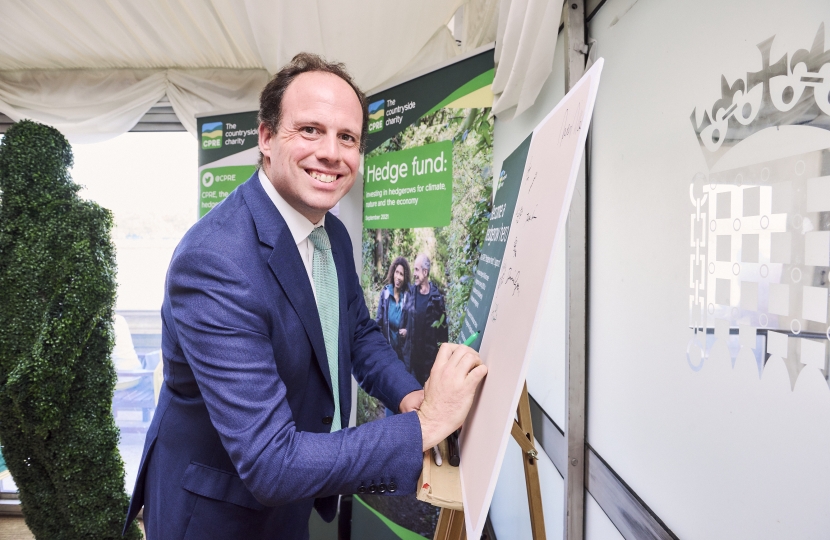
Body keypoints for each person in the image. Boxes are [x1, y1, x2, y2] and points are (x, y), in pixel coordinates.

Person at [124, 53, 486, 540]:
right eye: (310, 130)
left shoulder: (330, 235)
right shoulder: (214, 262)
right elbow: (271, 461)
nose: (332, 153)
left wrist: (409, 396)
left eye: (348, 138)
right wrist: (426, 423)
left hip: (289, 502)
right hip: (216, 514)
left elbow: (356, 332)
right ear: (267, 138)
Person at [405, 254, 449, 386]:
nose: (414, 274)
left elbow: (443, 333)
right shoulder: (410, 294)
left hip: (429, 362)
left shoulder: (436, 298)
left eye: (417, 270)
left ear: (425, 272)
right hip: (411, 361)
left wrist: (442, 359)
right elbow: (404, 322)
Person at [376, 256, 411, 367]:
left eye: (402, 274)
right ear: (393, 272)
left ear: (405, 278)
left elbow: (414, 323)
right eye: (397, 272)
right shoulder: (385, 294)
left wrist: (407, 331)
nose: (399, 277)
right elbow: (378, 323)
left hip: (403, 354)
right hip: (387, 352)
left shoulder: (407, 297)